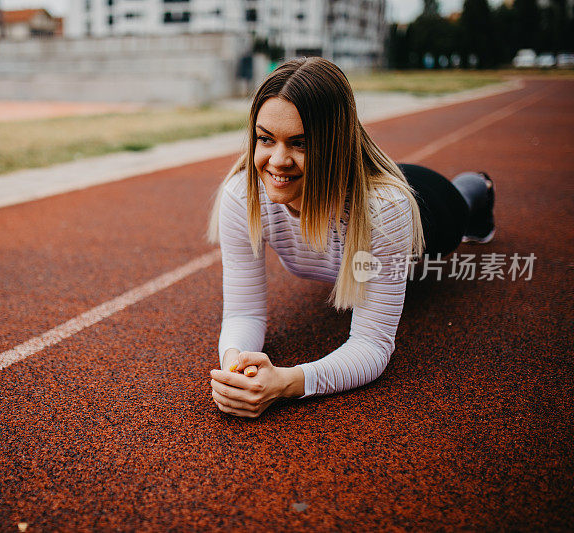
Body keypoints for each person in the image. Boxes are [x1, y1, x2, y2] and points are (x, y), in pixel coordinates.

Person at [205, 57, 495, 418]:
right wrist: (236, 367)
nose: (278, 160)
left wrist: (286, 383)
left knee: (463, 199)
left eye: (301, 143)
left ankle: (480, 186)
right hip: (360, 213)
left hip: (429, 205)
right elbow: (243, 312)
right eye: (266, 139)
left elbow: (372, 344)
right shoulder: (243, 195)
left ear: (336, 144)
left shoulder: (385, 209)